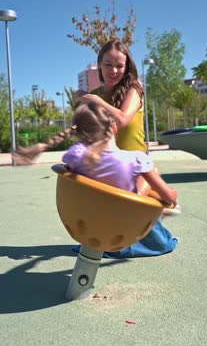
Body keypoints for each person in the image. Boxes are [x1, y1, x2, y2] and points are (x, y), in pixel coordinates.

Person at [13, 103, 179, 258]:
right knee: (151, 175)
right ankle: (160, 211)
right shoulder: (136, 159)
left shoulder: (75, 155)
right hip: (126, 224)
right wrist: (170, 199)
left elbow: (79, 169)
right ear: (114, 128)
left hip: (88, 223)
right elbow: (170, 197)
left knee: (123, 182)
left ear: (78, 133)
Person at [75, 39, 180, 203]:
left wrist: (97, 101)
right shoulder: (93, 95)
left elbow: (122, 119)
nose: (114, 70)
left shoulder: (134, 88)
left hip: (138, 168)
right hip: (109, 166)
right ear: (100, 65)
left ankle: (155, 182)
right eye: (108, 64)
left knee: (132, 206)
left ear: (127, 67)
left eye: (120, 66)